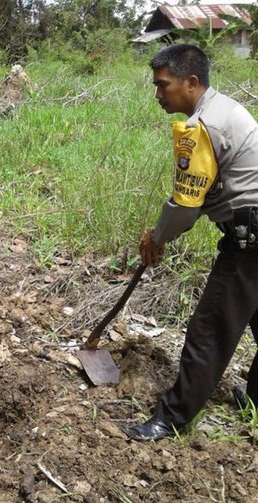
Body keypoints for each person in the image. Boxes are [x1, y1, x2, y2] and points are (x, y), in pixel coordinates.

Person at [125, 44, 258, 441]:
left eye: (164, 85)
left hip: (250, 241)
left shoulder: (202, 127)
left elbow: (187, 202)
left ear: (191, 82)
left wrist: (157, 238)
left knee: (208, 331)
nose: (158, 94)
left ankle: (172, 418)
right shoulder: (225, 110)